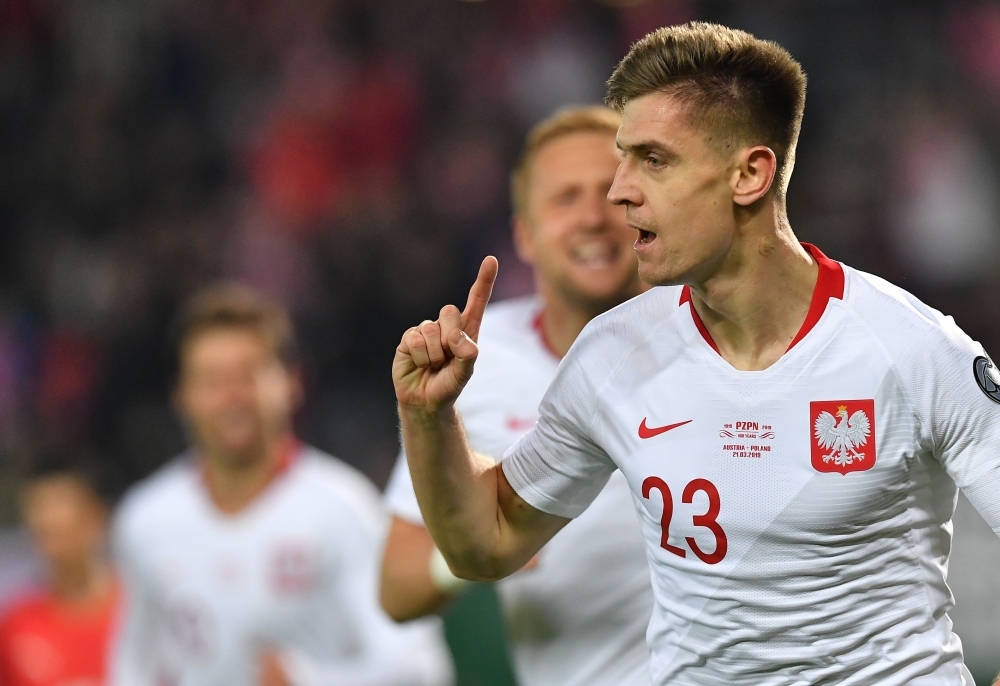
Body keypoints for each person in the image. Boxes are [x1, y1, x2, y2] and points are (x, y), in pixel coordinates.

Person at [391, 21, 1000, 686]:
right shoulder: (614, 354)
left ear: (749, 174)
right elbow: (488, 540)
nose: (618, 190)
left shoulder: (910, 348)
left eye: (653, 160)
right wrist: (430, 418)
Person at [380, 106, 653, 685]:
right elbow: (397, 588)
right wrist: (478, 550)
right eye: (564, 199)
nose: (592, 218)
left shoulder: (721, 337)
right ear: (524, 235)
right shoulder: (479, 359)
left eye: (611, 193)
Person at [110, 285, 453, 686]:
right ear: (182, 396)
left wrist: (307, 680)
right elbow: (133, 669)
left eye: (247, 374)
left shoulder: (342, 508)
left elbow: (421, 669)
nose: (231, 396)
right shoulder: (145, 519)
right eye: (211, 379)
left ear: (291, 382)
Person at [0, 455, 119, 686]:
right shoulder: (15, 628)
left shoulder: (138, 609)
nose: (49, 519)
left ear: (97, 516)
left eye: (62, 507)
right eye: (40, 509)